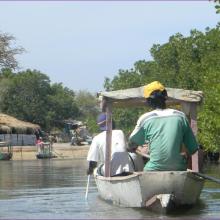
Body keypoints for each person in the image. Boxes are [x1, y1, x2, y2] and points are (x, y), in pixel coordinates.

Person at [129, 81, 199, 171]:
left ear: (148, 101)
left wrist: (133, 147)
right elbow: (193, 149)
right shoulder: (181, 116)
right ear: (165, 97)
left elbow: (132, 144)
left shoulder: (145, 119)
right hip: (179, 168)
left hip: (153, 169)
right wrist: (183, 156)